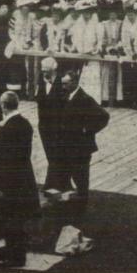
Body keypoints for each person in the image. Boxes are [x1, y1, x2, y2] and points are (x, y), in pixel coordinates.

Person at [0, 91, 41, 267]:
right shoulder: (24, 124)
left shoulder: (8, 129)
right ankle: (16, 254)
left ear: (3, 105)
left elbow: (5, 160)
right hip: (23, 178)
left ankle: (14, 257)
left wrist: (0, 185)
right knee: (17, 219)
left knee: (10, 219)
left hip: (9, 182)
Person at [56, 69, 109, 213]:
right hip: (70, 144)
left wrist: (88, 130)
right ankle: (76, 199)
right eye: (62, 84)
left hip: (81, 146)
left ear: (74, 83)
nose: (63, 86)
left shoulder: (85, 99)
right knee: (73, 172)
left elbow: (104, 116)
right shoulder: (67, 96)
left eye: (66, 84)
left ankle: (82, 204)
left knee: (81, 175)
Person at [35, 56, 64, 191]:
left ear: (54, 69)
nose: (44, 73)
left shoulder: (61, 83)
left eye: (46, 70)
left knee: (55, 154)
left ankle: (51, 183)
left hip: (57, 125)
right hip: (44, 124)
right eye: (42, 70)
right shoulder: (41, 82)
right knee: (50, 154)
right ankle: (56, 182)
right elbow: (38, 99)